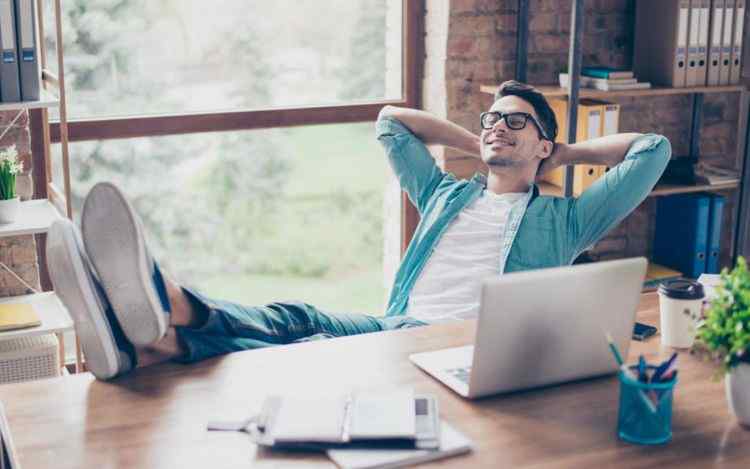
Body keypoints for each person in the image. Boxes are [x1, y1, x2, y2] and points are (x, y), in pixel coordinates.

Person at [46, 81, 671, 380]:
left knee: (303, 340)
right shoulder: (447, 193)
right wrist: (476, 141)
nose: (497, 126)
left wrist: (559, 158)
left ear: (544, 142)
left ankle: (160, 304)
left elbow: (653, 149)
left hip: (453, 350)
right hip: (397, 325)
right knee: (297, 325)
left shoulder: (565, 219)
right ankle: (153, 341)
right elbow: (390, 122)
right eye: (491, 118)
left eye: (515, 121)